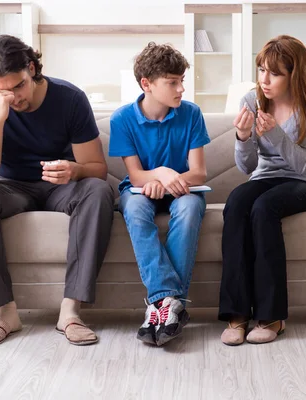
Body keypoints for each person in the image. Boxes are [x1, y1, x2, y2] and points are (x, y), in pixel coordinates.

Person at [0, 34, 115, 347]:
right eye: (3, 90)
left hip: (61, 186)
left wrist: (76, 170)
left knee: (98, 190)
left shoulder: (70, 98)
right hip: (10, 187)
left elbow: (97, 168)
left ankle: (70, 312)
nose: (14, 96)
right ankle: (5, 314)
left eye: (19, 86)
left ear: (32, 69)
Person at [219, 35, 306, 345]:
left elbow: (303, 166)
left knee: (264, 207)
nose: (264, 80)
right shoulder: (251, 101)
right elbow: (247, 168)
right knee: (238, 201)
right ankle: (237, 314)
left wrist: (276, 133)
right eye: (261, 70)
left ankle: (271, 317)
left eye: (275, 73)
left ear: (294, 74)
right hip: (264, 178)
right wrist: (243, 137)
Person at [108, 42, 210, 346]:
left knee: (190, 209)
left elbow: (199, 173)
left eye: (182, 81)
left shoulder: (191, 114)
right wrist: (159, 175)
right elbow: (137, 175)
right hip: (141, 190)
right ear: (146, 84)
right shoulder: (122, 118)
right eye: (172, 82)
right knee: (136, 209)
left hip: (183, 190)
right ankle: (171, 302)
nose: (181, 89)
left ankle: (160, 306)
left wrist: (165, 178)